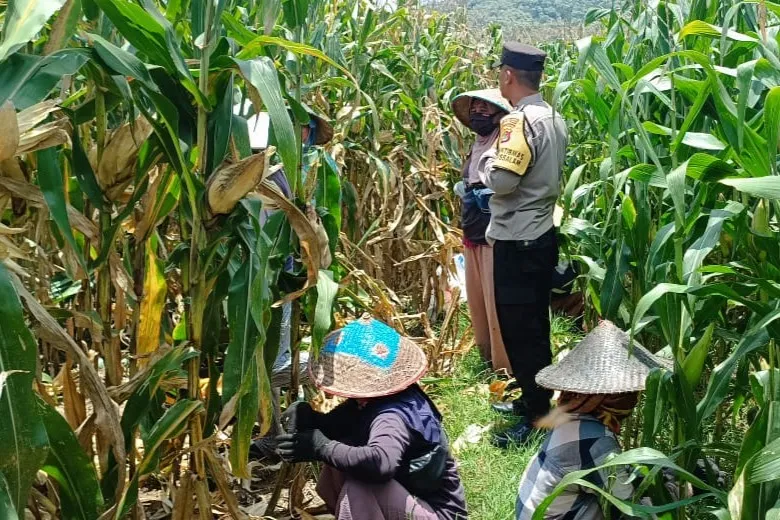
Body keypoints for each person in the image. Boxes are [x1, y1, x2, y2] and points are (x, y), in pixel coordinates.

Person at [275, 315, 469, 520]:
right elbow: (337, 427)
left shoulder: (391, 416)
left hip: (437, 514)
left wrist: (322, 448)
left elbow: (380, 462)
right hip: (409, 495)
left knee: (360, 489)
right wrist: (308, 417)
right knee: (343, 451)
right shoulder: (373, 400)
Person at [476, 42, 569, 447]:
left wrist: (484, 161)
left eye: (500, 73)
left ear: (508, 75)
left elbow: (503, 181)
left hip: (517, 240)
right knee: (534, 326)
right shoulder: (553, 117)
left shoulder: (518, 122)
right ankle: (533, 400)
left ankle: (535, 419)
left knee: (520, 331)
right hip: (541, 234)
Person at [238, 104, 335, 461]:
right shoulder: (258, 168)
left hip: (280, 279)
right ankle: (272, 433)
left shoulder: (298, 175)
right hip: (247, 277)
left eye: (306, 130)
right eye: (299, 128)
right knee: (257, 355)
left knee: (273, 360)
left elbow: (311, 239)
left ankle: (338, 369)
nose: (303, 136)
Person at [515, 320, 671, 519]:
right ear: (609, 398)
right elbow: (631, 511)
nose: (634, 400)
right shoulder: (596, 443)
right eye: (629, 395)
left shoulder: (571, 418)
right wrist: (678, 490)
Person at [451, 89, 512, 376]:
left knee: (495, 297)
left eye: (485, 108)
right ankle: (486, 357)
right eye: (474, 108)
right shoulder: (477, 144)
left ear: (500, 114)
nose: (478, 112)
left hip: (494, 231)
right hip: (473, 225)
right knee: (477, 297)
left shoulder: (506, 142)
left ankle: (505, 366)